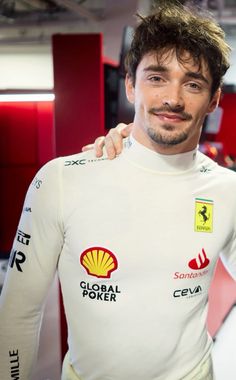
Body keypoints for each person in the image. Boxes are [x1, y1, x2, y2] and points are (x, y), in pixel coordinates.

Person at [0, 2, 235, 380]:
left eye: (192, 83)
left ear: (213, 100)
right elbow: (18, 313)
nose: (173, 98)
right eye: (157, 78)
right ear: (130, 84)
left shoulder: (228, 190)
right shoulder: (60, 181)